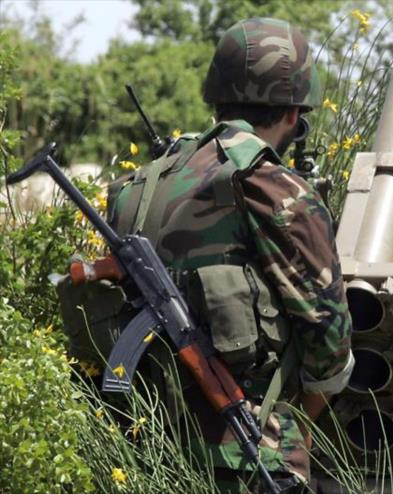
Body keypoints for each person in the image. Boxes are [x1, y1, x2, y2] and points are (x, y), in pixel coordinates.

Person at [105, 18, 353, 493]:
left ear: (216, 96)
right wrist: (295, 423)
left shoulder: (138, 186)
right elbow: (328, 339)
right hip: (248, 455)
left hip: (138, 446)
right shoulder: (272, 188)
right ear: (293, 113)